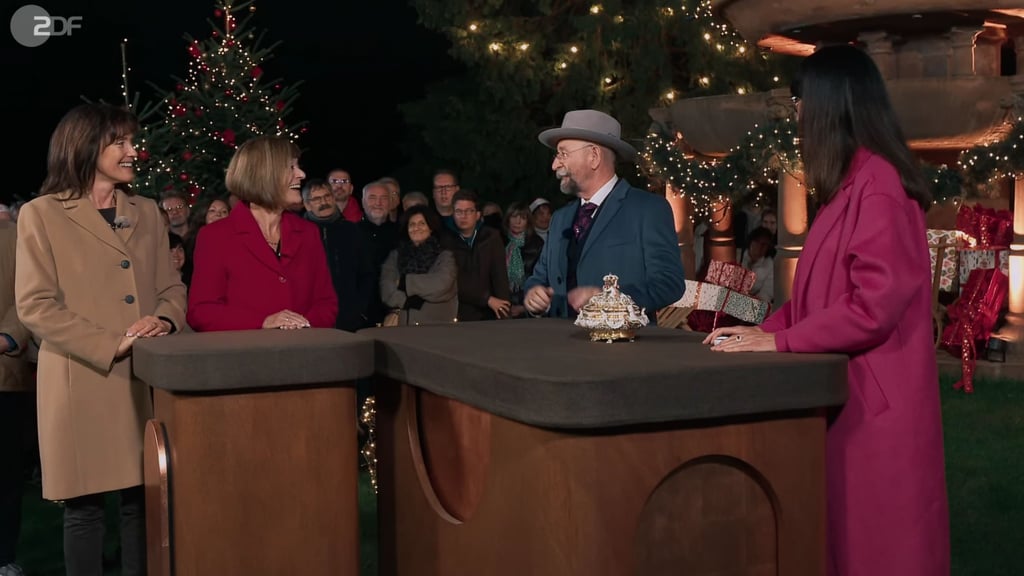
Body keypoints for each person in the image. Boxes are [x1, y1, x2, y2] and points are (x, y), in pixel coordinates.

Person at [704, 45, 949, 576]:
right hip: (847, 396)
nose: (795, 114)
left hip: (875, 411)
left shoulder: (878, 184)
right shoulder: (850, 185)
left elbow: (872, 306)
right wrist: (759, 330)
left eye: (799, 101)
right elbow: (821, 299)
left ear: (830, 104)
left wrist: (781, 342)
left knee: (877, 552)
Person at [15, 102, 187, 576]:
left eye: (133, 142)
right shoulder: (41, 214)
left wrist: (165, 321)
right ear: (87, 147)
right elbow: (35, 306)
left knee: (141, 503)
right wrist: (112, 342)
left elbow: (172, 288)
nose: (134, 151)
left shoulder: (148, 212)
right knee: (85, 509)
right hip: (80, 379)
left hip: (143, 379)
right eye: (122, 142)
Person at [523, 109, 684, 318]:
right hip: (560, 346)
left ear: (594, 156)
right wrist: (534, 294)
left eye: (563, 153)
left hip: (625, 348)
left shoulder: (648, 210)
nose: (555, 164)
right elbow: (539, 278)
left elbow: (669, 284)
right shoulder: (560, 218)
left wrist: (610, 299)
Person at [187, 136, 337, 331]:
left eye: (298, 166)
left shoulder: (308, 232)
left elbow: (326, 304)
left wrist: (300, 326)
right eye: (291, 167)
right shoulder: (216, 236)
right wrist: (263, 322)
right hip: (246, 356)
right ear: (263, 175)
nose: (301, 173)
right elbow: (202, 311)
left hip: (303, 355)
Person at [0, 221, 31, 576]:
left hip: (4, 377)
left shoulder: (16, 234)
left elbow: (29, 295)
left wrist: (6, 338)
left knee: (5, 476)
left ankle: (3, 556)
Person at [379, 205, 458, 325]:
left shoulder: (445, 256)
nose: (416, 228)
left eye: (422, 223)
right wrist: (406, 301)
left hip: (437, 325)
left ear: (430, 228)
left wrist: (404, 283)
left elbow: (441, 285)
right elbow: (386, 288)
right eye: (412, 224)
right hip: (403, 325)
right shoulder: (395, 255)